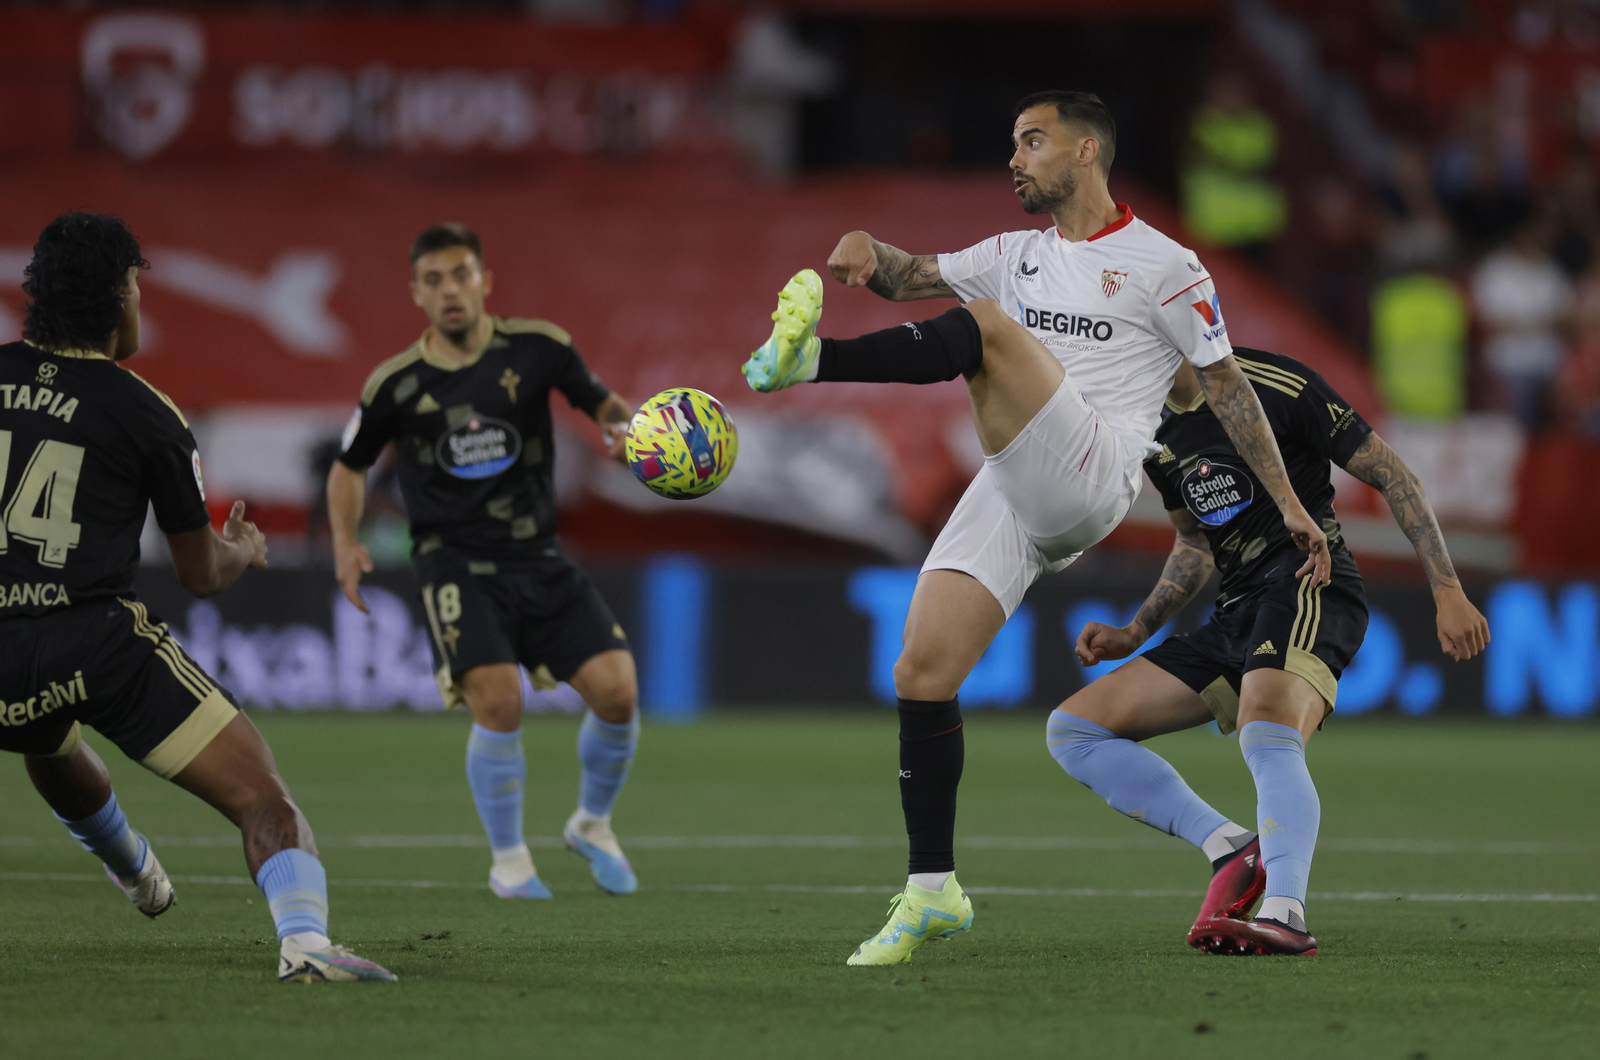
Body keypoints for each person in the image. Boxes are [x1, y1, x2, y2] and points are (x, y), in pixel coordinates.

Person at [741, 90, 1332, 966]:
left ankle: (813, 363)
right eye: (1012, 142)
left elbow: (1228, 388)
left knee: (983, 331)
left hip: (1093, 471)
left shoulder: (1165, 265)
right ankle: (933, 889)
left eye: (1032, 141)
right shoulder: (1015, 254)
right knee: (921, 670)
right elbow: (913, 275)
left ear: (1087, 151)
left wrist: (1285, 502)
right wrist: (873, 254)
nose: (1014, 159)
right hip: (1015, 479)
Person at [1, 211, 394, 984]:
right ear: (119, 297)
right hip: (91, 644)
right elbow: (198, 575)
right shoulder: (148, 415)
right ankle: (306, 945)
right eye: (138, 285)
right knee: (262, 797)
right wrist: (243, 551)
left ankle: (134, 869)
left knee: (44, 740)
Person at [1054, 348, 1489, 956]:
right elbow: (1193, 540)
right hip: (1238, 608)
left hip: (1312, 583)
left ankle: (1285, 911)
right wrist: (1136, 629)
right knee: (1074, 730)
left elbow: (1394, 474)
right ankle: (1231, 848)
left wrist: (1447, 590)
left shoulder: (1277, 384)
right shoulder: (1149, 420)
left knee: (1264, 725)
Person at [327, 224, 643, 900]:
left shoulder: (539, 348)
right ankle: (509, 861)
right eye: (434, 280)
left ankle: (592, 823)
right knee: (499, 703)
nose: (450, 290)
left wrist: (626, 431)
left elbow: (602, 402)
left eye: (461, 275)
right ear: (416, 293)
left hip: (540, 556)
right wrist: (344, 543)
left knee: (619, 692)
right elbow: (348, 468)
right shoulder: (396, 384)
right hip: (455, 563)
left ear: (484, 281)